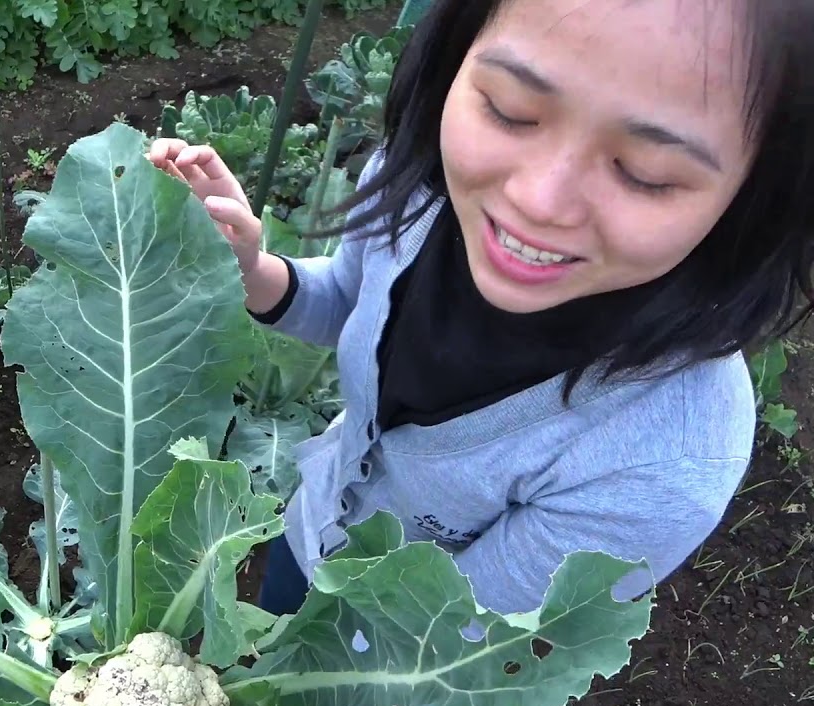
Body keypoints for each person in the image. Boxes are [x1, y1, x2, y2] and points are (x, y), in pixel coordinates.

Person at [148, 0, 814, 618]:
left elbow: (460, 641)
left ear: (764, 200)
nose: (538, 200)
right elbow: (351, 300)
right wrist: (254, 271)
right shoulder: (419, 192)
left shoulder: (663, 461)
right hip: (310, 532)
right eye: (509, 109)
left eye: (645, 172)